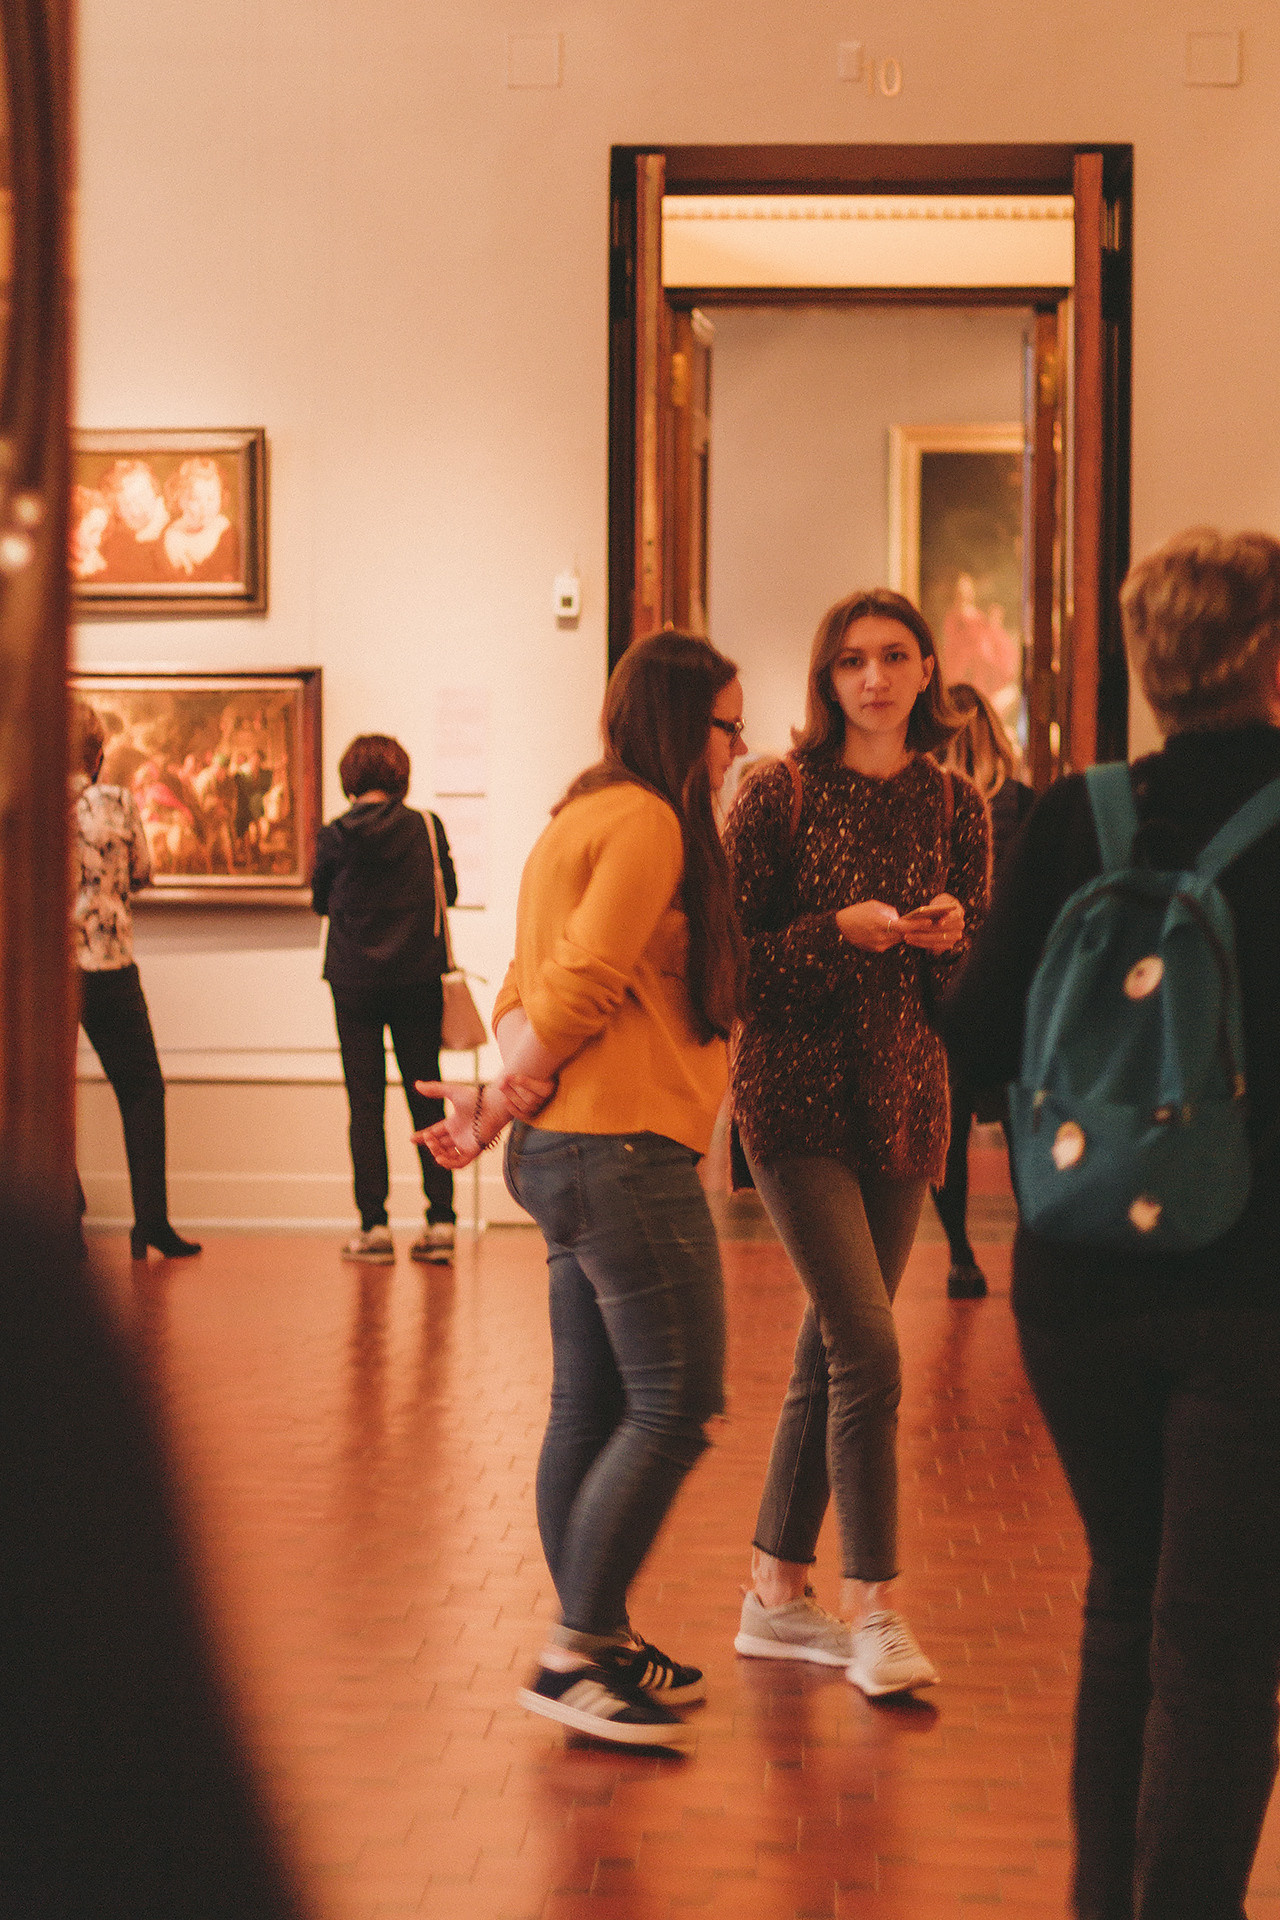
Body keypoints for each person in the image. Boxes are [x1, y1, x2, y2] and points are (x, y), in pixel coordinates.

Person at [941, 528, 1280, 1920]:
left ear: (1149, 661)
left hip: (1075, 1284)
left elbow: (973, 1039)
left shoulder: (1075, 814)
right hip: (1251, 1289)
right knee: (1218, 1643)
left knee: (1126, 1604)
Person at [416, 630, 748, 1751]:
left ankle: (595, 1639)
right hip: (618, 1150)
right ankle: (573, 1653)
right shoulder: (650, 821)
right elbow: (579, 985)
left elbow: (522, 986)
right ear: (678, 724)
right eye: (726, 726)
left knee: (589, 1407)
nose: (736, 748)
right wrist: (504, 1096)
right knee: (676, 1400)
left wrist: (496, 1106)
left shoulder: (576, 816)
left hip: (566, 1150)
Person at [726, 588, 989, 1697]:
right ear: (824, 680)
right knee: (870, 1347)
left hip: (903, 1100)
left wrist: (946, 939)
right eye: (848, 662)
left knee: (828, 1350)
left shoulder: (955, 803)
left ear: (926, 670)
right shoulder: (774, 793)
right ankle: (872, 1604)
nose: (871, 678)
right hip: (791, 1102)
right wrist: (833, 935)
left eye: (890, 657)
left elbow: (966, 989)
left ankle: (772, 1596)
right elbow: (733, 967)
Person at [311, 734, 459, 1265]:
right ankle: (440, 1222)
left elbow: (318, 901)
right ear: (401, 775)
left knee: (364, 1101)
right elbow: (452, 892)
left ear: (349, 776)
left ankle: (374, 1228)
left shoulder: (334, 834)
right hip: (417, 975)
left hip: (353, 980)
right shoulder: (425, 825)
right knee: (426, 1095)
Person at [71, 702, 201, 1263]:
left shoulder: (25, 806)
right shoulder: (118, 801)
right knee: (143, 1091)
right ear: (98, 753)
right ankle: (150, 1223)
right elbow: (144, 873)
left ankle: (63, 1213)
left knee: (41, 1101)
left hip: (44, 979)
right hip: (111, 965)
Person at [930, 681, 1035, 1298]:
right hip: (1014, 984)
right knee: (1023, 1123)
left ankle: (962, 1257)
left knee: (952, 1131)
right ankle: (1030, 1240)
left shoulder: (931, 806)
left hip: (947, 983)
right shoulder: (1025, 802)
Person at [162, 456, 240, 582]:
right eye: (195, 499)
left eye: (211, 499)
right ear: (181, 500)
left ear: (221, 498)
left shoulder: (227, 535)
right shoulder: (170, 536)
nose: (204, 507)